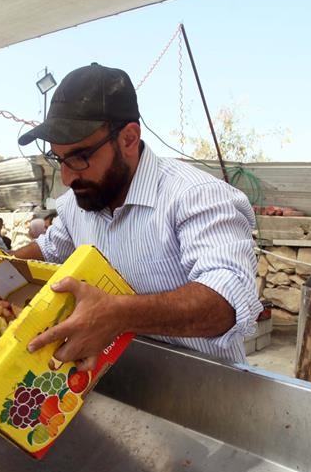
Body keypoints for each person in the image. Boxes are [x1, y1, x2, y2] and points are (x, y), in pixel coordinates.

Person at [14, 62, 261, 369]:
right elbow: (49, 250)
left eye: (80, 157)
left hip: (202, 389)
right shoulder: (78, 203)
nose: (66, 177)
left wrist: (117, 314)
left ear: (128, 139)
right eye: (59, 158)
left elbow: (226, 302)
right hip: (110, 383)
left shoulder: (195, 196)